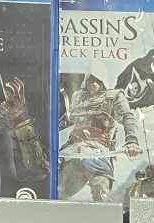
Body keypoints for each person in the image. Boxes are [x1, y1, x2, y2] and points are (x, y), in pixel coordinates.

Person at [59, 73, 140, 201]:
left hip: (97, 152)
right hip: (72, 151)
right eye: (91, 80)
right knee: (56, 190)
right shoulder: (78, 97)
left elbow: (127, 117)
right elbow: (66, 120)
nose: (93, 83)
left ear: (103, 82)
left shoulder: (114, 96)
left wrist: (132, 141)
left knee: (101, 190)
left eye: (97, 80)